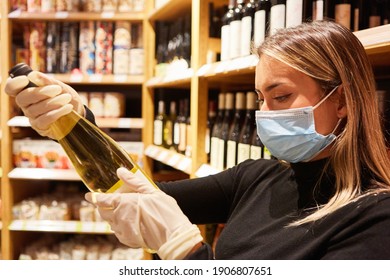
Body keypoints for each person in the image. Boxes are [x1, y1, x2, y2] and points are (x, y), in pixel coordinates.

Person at [5, 20, 390, 259]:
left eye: (282, 96)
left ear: (340, 100)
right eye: (260, 99)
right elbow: (137, 191)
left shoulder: (375, 220)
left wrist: (185, 250)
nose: (266, 114)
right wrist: (75, 126)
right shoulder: (257, 179)